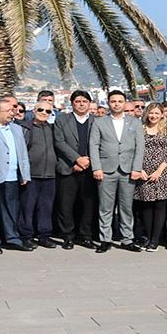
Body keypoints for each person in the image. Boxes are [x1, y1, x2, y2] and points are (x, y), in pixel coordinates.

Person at [89, 90, 145, 253]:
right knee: (105, 207)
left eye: (120, 101)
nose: (116, 104)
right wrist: (97, 167)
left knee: (126, 207)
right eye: (113, 101)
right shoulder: (99, 122)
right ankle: (105, 239)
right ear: (108, 103)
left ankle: (127, 239)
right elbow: (93, 145)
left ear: (124, 102)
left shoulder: (134, 122)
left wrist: (136, 168)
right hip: (106, 170)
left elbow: (139, 147)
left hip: (128, 171)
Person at [0, 98, 32, 254]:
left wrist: (25, 174)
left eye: (13, 110)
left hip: (13, 176)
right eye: (9, 110)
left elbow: (22, 153)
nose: (13, 113)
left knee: (11, 209)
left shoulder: (16, 129)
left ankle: (12, 238)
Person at [54, 90, 97, 250]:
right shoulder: (62, 120)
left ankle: (86, 236)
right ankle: (67, 236)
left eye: (84, 101)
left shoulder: (96, 121)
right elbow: (59, 142)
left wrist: (88, 161)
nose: (81, 104)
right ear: (72, 103)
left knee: (88, 204)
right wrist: (77, 159)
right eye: (78, 101)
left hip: (90, 168)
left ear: (89, 103)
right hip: (68, 167)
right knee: (66, 205)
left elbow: (100, 144)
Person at [134, 103, 167, 251]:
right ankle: (147, 235)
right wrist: (139, 169)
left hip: (162, 172)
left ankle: (155, 239)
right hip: (143, 172)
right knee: (145, 205)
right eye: (151, 113)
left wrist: (159, 170)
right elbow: (133, 149)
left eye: (157, 113)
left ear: (162, 115)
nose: (153, 116)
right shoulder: (139, 128)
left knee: (159, 205)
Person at [18, 101, 57, 249]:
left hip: (50, 175)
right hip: (31, 175)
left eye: (48, 111)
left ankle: (44, 236)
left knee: (46, 207)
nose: (44, 113)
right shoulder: (26, 128)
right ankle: (26, 236)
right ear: (34, 110)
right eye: (41, 109)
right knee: (27, 207)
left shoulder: (52, 128)